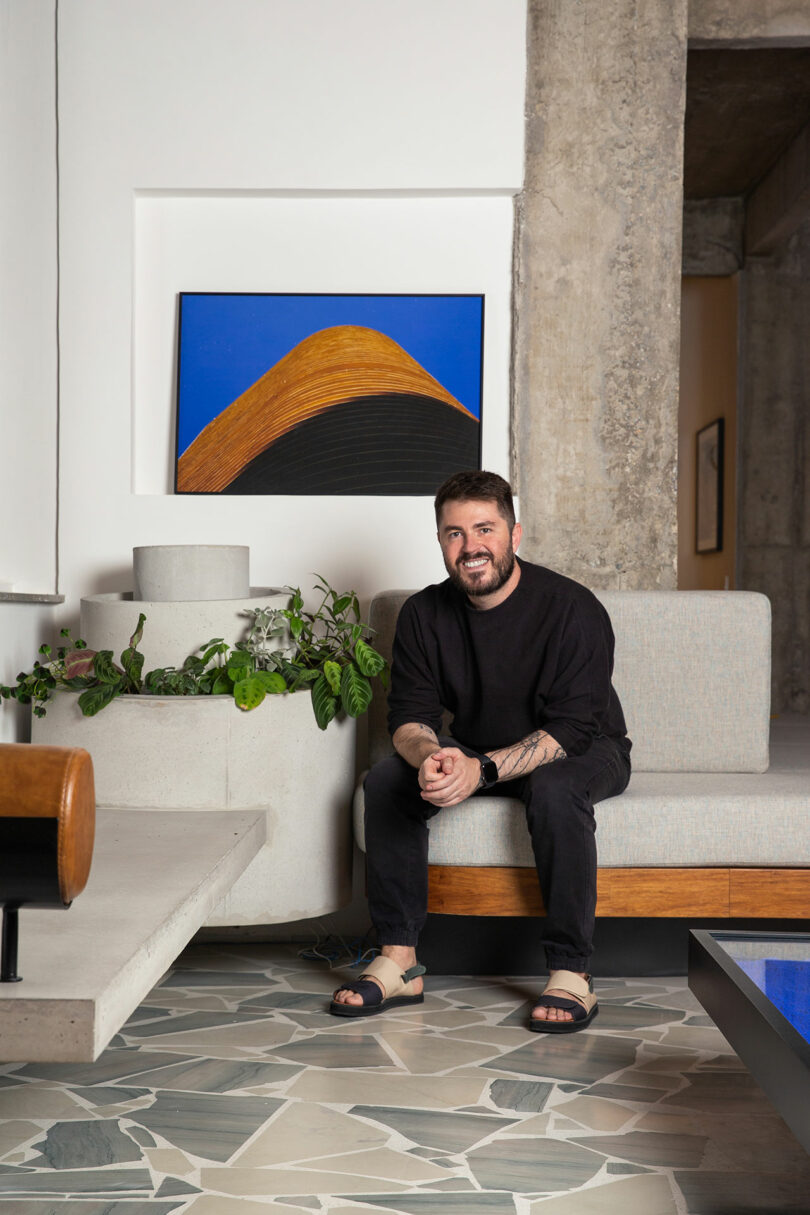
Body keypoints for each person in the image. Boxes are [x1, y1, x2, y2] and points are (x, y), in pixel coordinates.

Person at [331, 470, 631, 1032]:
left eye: (484, 529)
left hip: (584, 748)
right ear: (441, 542)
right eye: (453, 533)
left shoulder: (573, 608)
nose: (470, 547)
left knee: (555, 785)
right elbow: (409, 720)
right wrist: (431, 758)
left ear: (514, 535)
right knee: (386, 783)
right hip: (475, 748)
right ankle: (400, 962)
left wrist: (482, 770)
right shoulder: (423, 614)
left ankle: (572, 972)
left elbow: (572, 729)